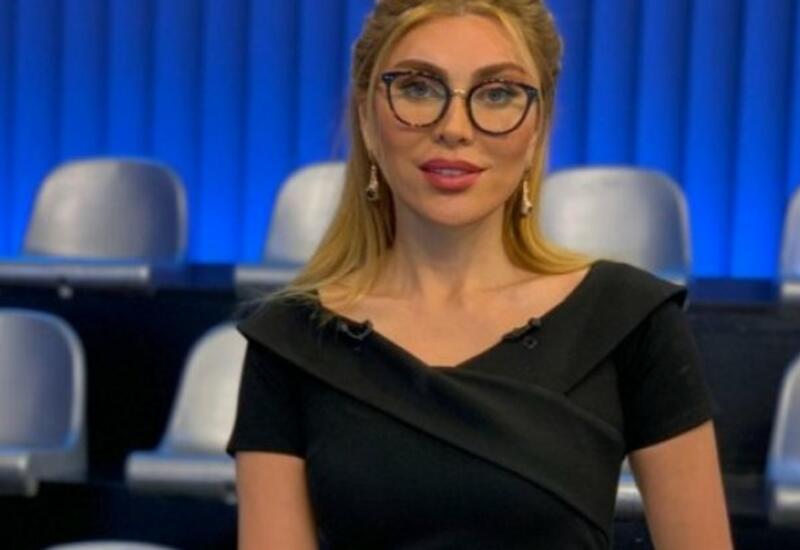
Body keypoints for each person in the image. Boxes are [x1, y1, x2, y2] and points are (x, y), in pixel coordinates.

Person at [227, 1, 732, 548]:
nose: (454, 128)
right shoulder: (293, 340)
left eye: (497, 94)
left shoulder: (628, 319)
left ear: (536, 129)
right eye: (418, 88)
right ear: (368, 120)